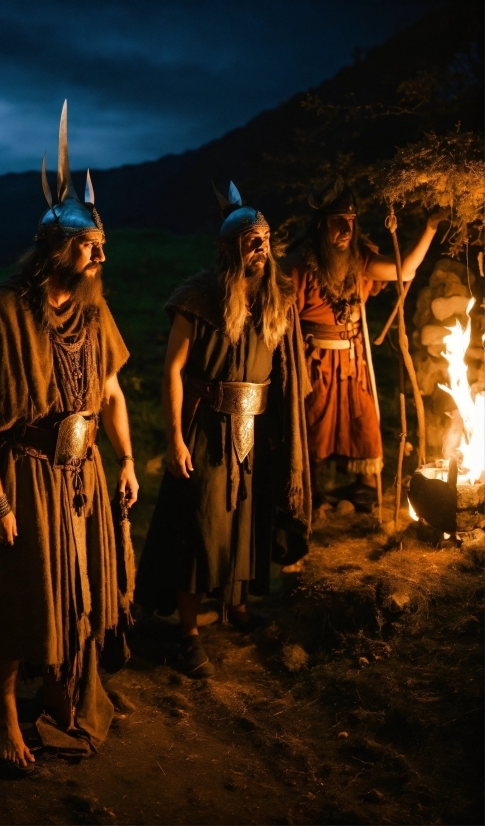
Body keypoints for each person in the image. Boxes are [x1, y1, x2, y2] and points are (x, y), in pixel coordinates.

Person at [0, 102, 138, 770]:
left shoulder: (94, 309)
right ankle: (5, 716)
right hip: (27, 474)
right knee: (18, 598)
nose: (98, 255)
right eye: (88, 246)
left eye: (101, 247)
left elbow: (109, 389)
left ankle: (64, 696)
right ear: (54, 249)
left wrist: (129, 460)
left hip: (84, 475)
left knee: (76, 593)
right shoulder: (1, 312)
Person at [135, 181, 310, 678]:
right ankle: (188, 633)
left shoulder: (277, 299)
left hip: (254, 429)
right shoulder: (199, 296)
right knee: (198, 526)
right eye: (251, 240)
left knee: (244, 522)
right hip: (206, 429)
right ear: (229, 247)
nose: (261, 247)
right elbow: (172, 369)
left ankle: (236, 606)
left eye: (265, 237)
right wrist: (173, 438)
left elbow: (287, 370)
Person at [282, 176, 443, 511]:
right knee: (315, 432)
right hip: (316, 365)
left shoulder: (360, 260)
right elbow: (281, 323)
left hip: (353, 364)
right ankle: (312, 498)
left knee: (363, 425)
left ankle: (363, 495)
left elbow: (406, 270)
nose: (346, 229)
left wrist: (429, 227)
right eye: (338, 221)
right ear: (321, 225)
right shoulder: (299, 265)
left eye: (352, 221)